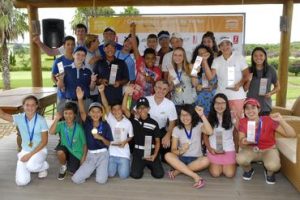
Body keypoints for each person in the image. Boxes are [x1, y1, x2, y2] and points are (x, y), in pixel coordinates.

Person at [236, 98, 296, 184]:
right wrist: (244, 141)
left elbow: (292, 134)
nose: (250, 111)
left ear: (259, 109)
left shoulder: (268, 120)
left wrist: (281, 120)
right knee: (240, 159)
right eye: (247, 108)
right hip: (251, 149)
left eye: (253, 107)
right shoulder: (243, 122)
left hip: (269, 150)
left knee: (273, 166)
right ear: (244, 111)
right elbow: (241, 143)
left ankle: (269, 173)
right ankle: (249, 170)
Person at [0, 95, 49, 186]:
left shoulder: (41, 120)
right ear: (23, 106)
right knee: (21, 182)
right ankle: (31, 164)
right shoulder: (19, 118)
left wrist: (29, 155)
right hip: (25, 150)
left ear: (36, 106)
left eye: (33, 105)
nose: (30, 107)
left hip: (39, 150)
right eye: (27, 105)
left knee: (32, 166)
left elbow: (44, 142)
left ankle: (43, 166)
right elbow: (2, 115)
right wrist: (26, 155)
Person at [72, 87, 113, 184]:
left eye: (98, 111)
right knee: (76, 179)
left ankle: (98, 168)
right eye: (93, 112)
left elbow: (108, 143)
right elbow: (82, 111)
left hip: (103, 155)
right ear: (89, 113)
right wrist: (80, 99)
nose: (95, 114)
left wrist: (101, 138)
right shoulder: (88, 122)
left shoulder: (105, 124)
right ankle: (91, 168)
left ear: (101, 113)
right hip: (91, 155)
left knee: (101, 181)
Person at [165, 104, 212, 189]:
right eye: (182, 115)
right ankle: (195, 176)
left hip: (196, 159)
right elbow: (173, 150)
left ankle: (177, 171)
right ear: (179, 116)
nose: (185, 117)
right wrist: (181, 151)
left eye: (188, 115)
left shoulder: (199, 125)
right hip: (181, 159)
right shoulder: (176, 129)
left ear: (192, 115)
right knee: (167, 155)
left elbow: (210, 132)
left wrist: (202, 115)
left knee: (207, 160)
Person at [122, 88, 164, 179]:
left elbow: (157, 141)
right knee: (135, 175)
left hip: (151, 151)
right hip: (138, 152)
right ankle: (141, 164)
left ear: (148, 109)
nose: (142, 110)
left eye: (144, 107)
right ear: (136, 109)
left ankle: (151, 163)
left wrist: (155, 155)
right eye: (139, 108)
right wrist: (126, 94)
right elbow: (124, 109)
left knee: (159, 175)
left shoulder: (153, 123)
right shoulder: (134, 119)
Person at [99, 85, 134, 179]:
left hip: (123, 153)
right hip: (112, 153)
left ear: (122, 110)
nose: (116, 111)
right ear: (112, 111)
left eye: (118, 109)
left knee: (124, 176)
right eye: (114, 110)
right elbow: (106, 105)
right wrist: (102, 92)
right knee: (110, 174)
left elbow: (131, 136)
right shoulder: (110, 118)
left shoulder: (128, 122)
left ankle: (128, 159)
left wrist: (125, 142)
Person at [49, 102, 87, 180]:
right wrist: (56, 119)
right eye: (65, 113)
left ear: (75, 115)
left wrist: (83, 158)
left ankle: (70, 164)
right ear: (63, 114)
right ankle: (63, 166)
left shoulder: (79, 128)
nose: (68, 116)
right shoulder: (61, 124)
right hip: (65, 150)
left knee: (73, 171)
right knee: (60, 152)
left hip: (76, 153)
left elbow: (85, 144)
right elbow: (51, 132)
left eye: (70, 113)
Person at [56, 46, 97, 112]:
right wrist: (60, 79)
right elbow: (61, 87)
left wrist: (93, 81)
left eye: (83, 55)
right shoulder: (65, 69)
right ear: (73, 55)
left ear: (85, 57)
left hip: (85, 102)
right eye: (78, 54)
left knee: (85, 122)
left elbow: (92, 88)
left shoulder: (88, 71)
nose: (80, 57)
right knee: (72, 122)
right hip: (70, 103)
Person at [204, 93, 236, 178]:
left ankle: (226, 163)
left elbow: (236, 134)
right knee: (216, 174)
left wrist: (236, 150)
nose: (219, 106)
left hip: (228, 149)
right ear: (213, 104)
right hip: (214, 149)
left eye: (222, 103)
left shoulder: (232, 116)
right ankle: (212, 163)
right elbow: (205, 136)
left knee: (229, 174)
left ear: (226, 104)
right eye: (217, 103)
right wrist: (210, 149)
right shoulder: (208, 117)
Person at [146, 80, 178, 162]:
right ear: (154, 88)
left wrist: (168, 135)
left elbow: (172, 122)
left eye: (164, 89)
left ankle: (160, 153)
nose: (161, 91)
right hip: (147, 131)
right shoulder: (146, 100)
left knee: (166, 158)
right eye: (159, 88)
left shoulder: (170, 104)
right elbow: (135, 112)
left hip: (160, 131)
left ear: (167, 91)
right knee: (147, 156)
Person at [244, 47, 280, 115]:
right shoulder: (249, 70)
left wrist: (270, 93)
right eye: (255, 55)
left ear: (265, 56)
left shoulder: (271, 70)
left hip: (265, 106)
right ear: (252, 57)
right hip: (250, 106)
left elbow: (278, 87)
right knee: (251, 125)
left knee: (263, 125)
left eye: (261, 55)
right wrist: (249, 80)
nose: (258, 57)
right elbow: (245, 89)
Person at [191, 44, 217, 116]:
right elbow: (194, 84)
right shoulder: (195, 66)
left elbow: (213, 82)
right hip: (198, 101)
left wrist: (204, 62)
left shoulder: (214, 65)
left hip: (212, 101)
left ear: (209, 54)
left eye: (204, 53)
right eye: (200, 54)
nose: (202, 55)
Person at [51, 36, 75, 112]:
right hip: (63, 96)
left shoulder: (77, 59)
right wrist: (59, 85)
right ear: (64, 46)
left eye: (72, 44)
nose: (70, 46)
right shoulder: (59, 61)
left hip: (75, 96)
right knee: (61, 118)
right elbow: (53, 77)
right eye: (68, 44)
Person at [85, 34, 101, 102]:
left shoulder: (93, 53)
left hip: (94, 89)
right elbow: (92, 62)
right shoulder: (88, 55)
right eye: (97, 41)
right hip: (90, 90)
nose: (99, 43)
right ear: (92, 43)